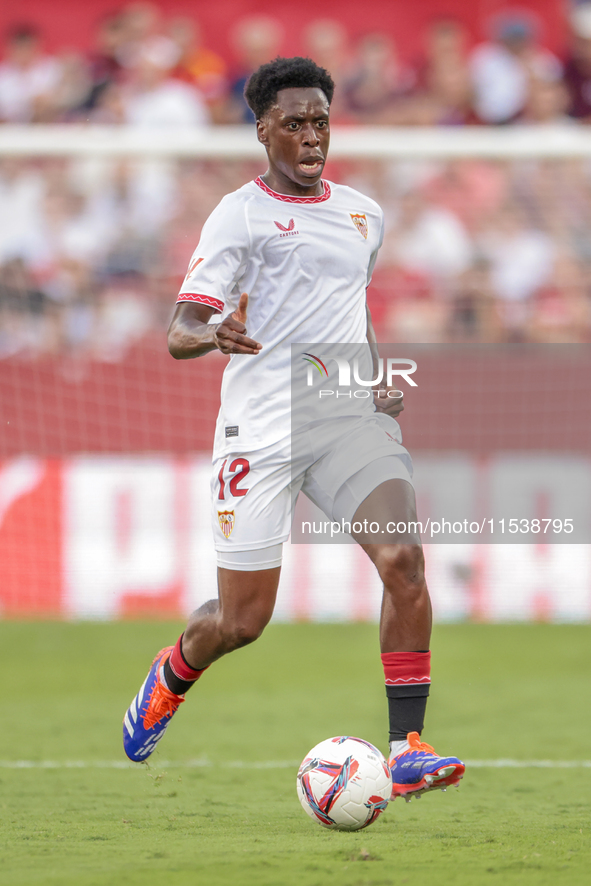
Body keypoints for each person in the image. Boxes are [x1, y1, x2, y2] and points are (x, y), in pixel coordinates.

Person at [122, 56, 465, 802]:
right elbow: (180, 330)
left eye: (320, 122)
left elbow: (351, 309)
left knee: (403, 558)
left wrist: (373, 376)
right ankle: (172, 673)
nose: (311, 137)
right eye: (294, 124)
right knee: (241, 622)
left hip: (344, 419)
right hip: (260, 430)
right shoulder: (237, 215)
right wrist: (216, 333)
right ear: (262, 130)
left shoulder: (362, 214)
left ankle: (406, 746)